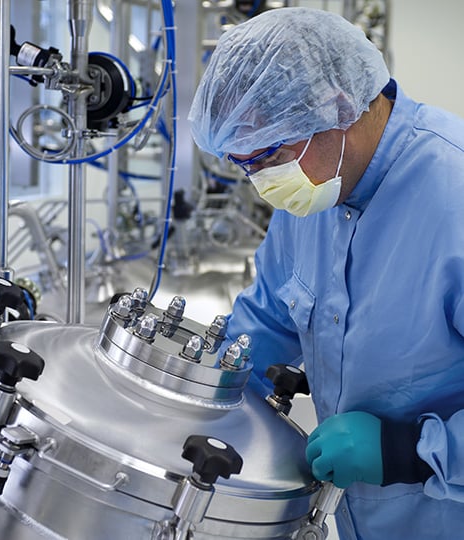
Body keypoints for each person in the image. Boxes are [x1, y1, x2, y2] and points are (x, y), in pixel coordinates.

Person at [188, 6, 464, 540]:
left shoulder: (453, 199)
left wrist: (409, 453)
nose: (262, 183)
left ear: (335, 108)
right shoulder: (314, 197)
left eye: (270, 155)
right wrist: (199, 391)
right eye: (244, 165)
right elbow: (265, 322)